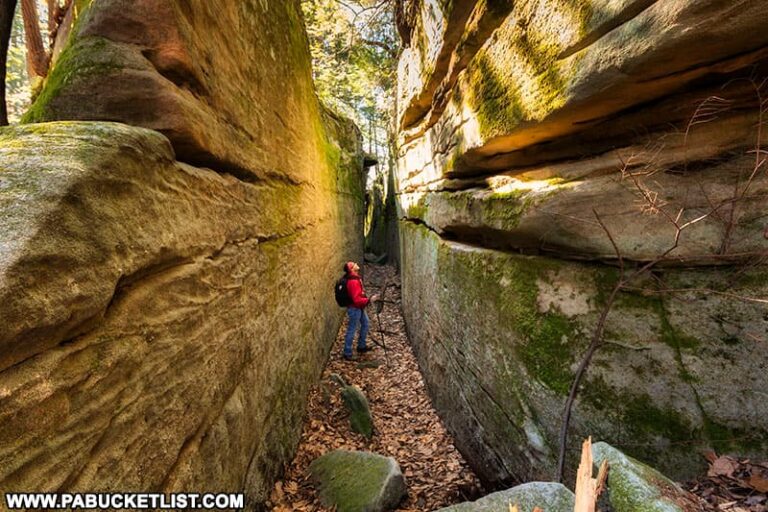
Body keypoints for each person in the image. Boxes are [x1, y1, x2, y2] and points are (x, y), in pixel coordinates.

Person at [342, 261, 379, 360]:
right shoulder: (353, 282)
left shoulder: (355, 278)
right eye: (353, 264)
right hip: (354, 308)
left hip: (359, 307)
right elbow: (356, 299)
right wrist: (369, 300)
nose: (355, 263)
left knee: (365, 323)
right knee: (352, 329)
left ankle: (361, 346)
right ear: (351, 269)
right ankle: (347, 352)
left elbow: (359, 295)